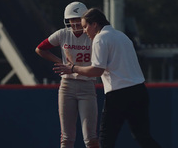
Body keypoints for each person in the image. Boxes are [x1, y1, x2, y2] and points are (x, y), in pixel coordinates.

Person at [54, 8, 161, 148]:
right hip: (139, 90)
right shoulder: (122, 36)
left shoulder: (100, 38)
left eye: (86, 26)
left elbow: (97, 70)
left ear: (95, 25)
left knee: (106, 139)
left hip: (118, 94)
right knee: (143, 137)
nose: (85, 31)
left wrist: (73, 68)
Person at [35, 2, 99, 148]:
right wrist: (60, 62)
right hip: (67, 85)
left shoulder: (92, 35)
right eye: (72, 19)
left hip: (87, 85)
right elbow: (40, 49)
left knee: (90, 138)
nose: (75, 23)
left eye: (78, 19)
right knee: (67, 138)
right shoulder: (63, 34)